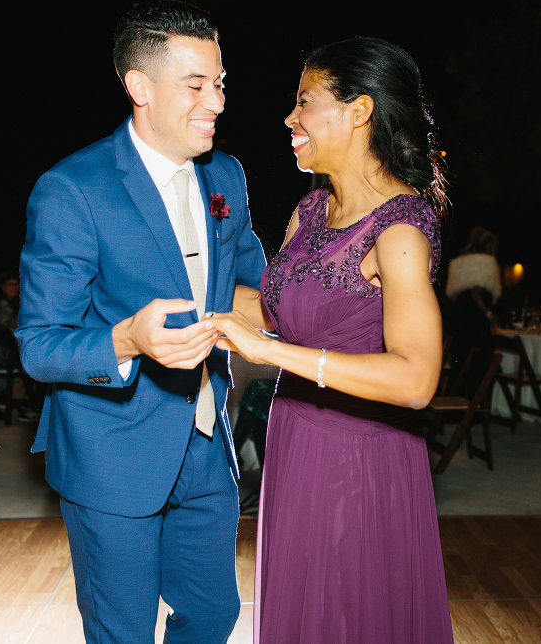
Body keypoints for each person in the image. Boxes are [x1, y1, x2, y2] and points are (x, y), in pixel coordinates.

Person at [14, 0, 265, 644]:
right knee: (122, 631)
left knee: (212, 618)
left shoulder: (227, 178)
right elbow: (40, 346)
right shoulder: (73, 188)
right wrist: (127, 339)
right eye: (196, 85)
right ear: (139, 88)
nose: (216, 101)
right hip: (112, 451)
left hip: (208, 445)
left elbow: (256, 285)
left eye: (220, 83)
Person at [210, 37, 454, 643]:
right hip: (295, 444)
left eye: (304, 102)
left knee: (350, 617)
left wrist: (269, 351)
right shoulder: (310, 212)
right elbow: (277, 312)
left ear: (359, 111)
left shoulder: (400, 231)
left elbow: (416, 379)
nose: (290, 119)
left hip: (362, 461)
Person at [445, 226, 501, 393]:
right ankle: (472, 408)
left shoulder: (459, 262)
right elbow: (476, 293)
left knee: (459, 361)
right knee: (477, 364)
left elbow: (453, 295)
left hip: (459, 316)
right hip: (475, 319)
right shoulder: (486, 263)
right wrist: (490, 315)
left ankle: (451, 404)